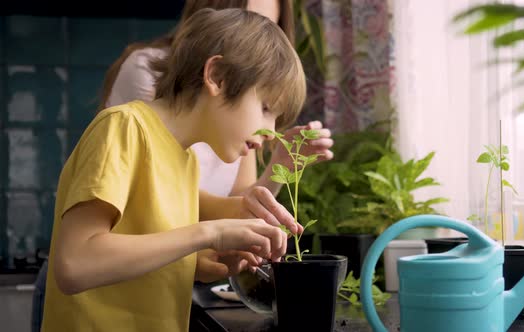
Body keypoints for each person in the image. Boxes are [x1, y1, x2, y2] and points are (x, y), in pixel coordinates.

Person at [40, 8, 306, 332]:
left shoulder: (185, 159)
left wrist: (204, 263)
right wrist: (210, 233)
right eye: (265, 108)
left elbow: (146, 255)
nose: (270, 132)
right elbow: (75, 264)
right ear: (217, 77)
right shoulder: (124, 128)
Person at [101, 0, 334, 198]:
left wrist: (281, 166)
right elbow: (157, 195)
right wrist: (214, 235)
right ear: (216, 75)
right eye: (252, 27)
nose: (267, 43)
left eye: (271, 28)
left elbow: (233, 203)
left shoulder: (241, 110)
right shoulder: (135, 113)